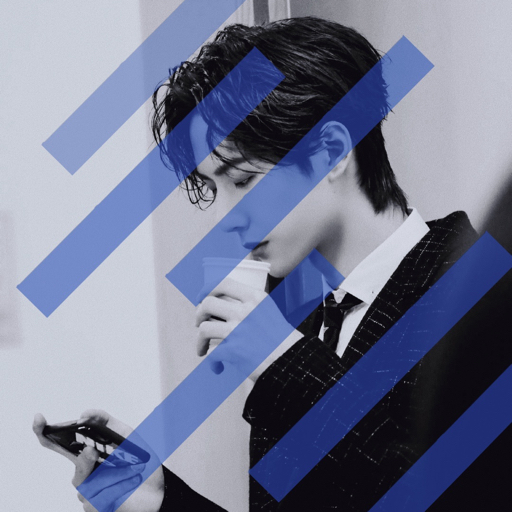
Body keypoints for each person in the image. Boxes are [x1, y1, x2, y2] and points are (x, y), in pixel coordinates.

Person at [33, 17, 511, 511]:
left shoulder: (483, 297)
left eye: (242, 179)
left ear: (331, 150)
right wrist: (161, 502)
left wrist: (284, 364)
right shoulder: (298, 320)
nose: (224, 218)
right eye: (213, 187)